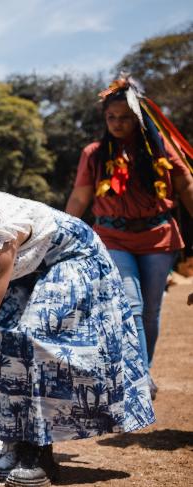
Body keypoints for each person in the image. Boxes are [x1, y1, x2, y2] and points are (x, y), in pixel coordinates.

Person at [0, 168, 154, 487]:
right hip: (28, 267)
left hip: (72, 256)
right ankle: (14, 439)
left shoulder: (0, 229)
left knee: (30, 334)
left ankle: (38, 452)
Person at [66, 76, 193, 398]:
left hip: (158, 236)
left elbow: (186, 187)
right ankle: (138, 376)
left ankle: (142, 371)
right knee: (131, 305)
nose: (117, 123)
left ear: (139, 118)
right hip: (112, 237)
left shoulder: (162, 149)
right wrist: (62, 235)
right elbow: (80, 199)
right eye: (111, 117)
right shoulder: (94, 154)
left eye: (125, 117)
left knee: (151, 310)